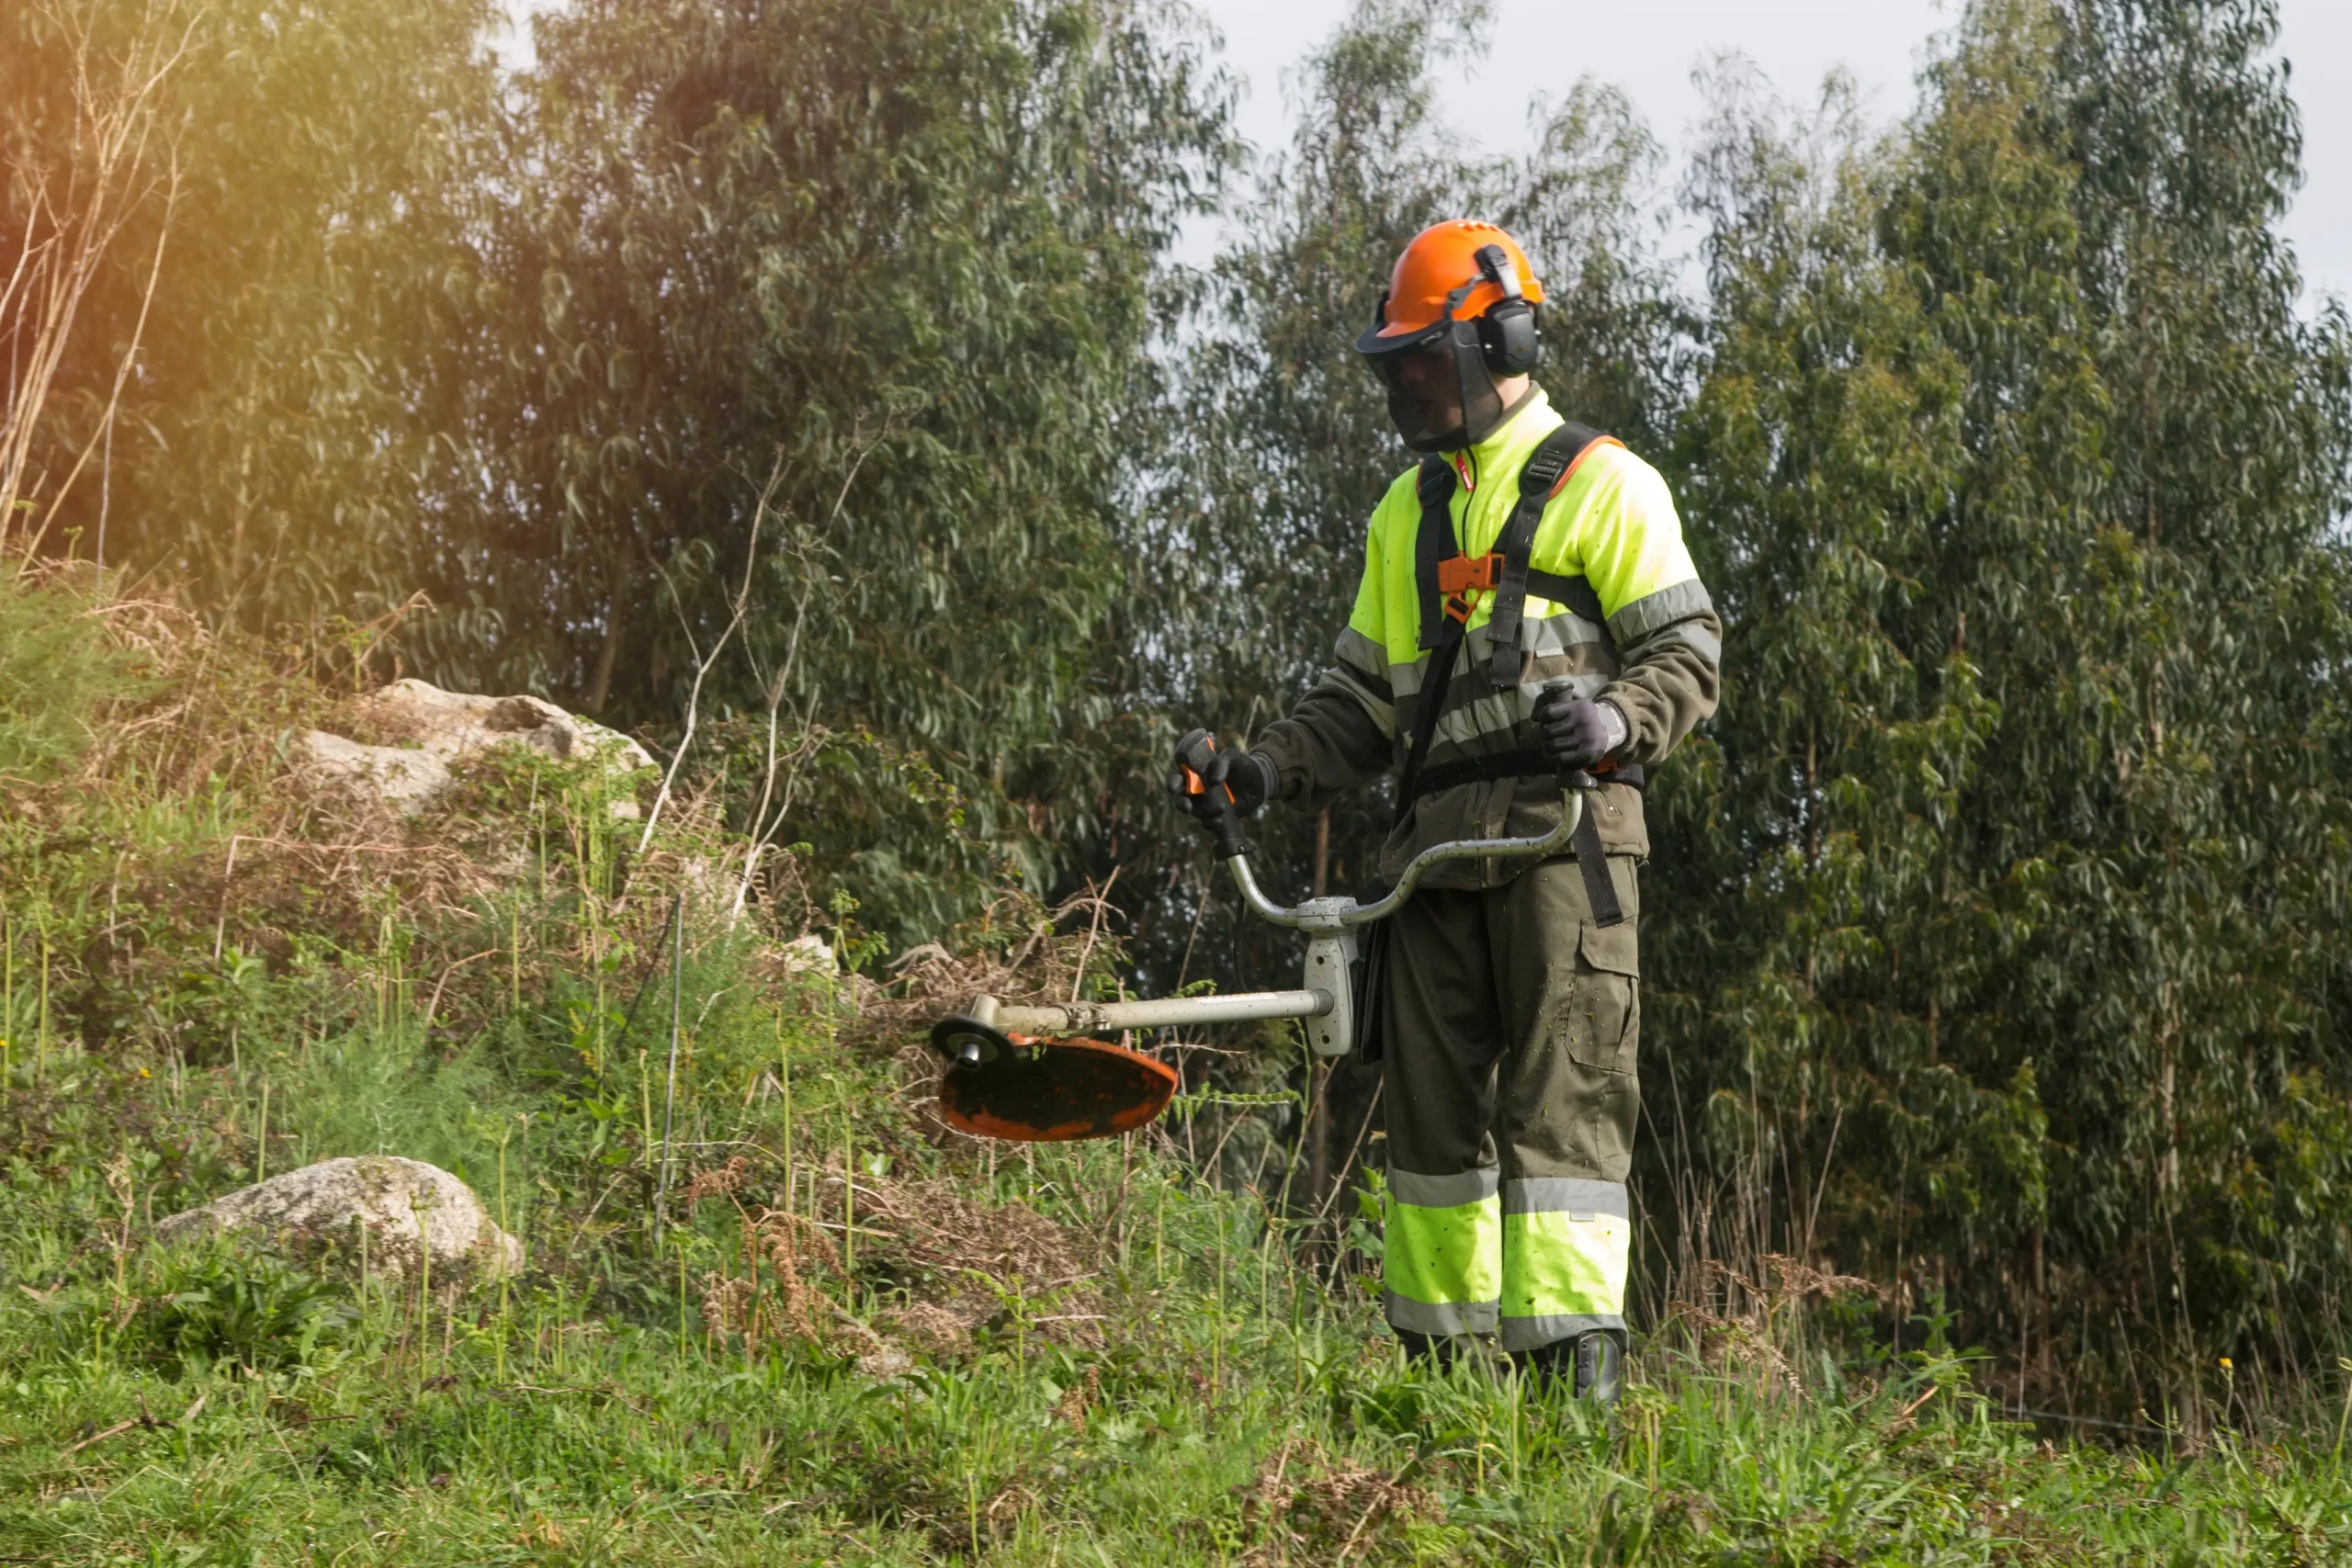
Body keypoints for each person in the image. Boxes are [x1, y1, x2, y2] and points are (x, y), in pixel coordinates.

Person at [1170, 220, 1721, 1400]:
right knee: (1427, 1137)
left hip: (1562, 846)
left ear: (1497, 340)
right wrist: (1263, 772)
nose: (1406, 386)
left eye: (1422, 360)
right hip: (1431, 863)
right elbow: (1360, 702)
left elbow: (1687, 648)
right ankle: (1442, 1396)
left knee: (1562, 1124)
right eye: (1396, 366)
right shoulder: (1403, 515)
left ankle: (1574, 1405)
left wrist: (1621, 721)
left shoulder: (1603, 484)